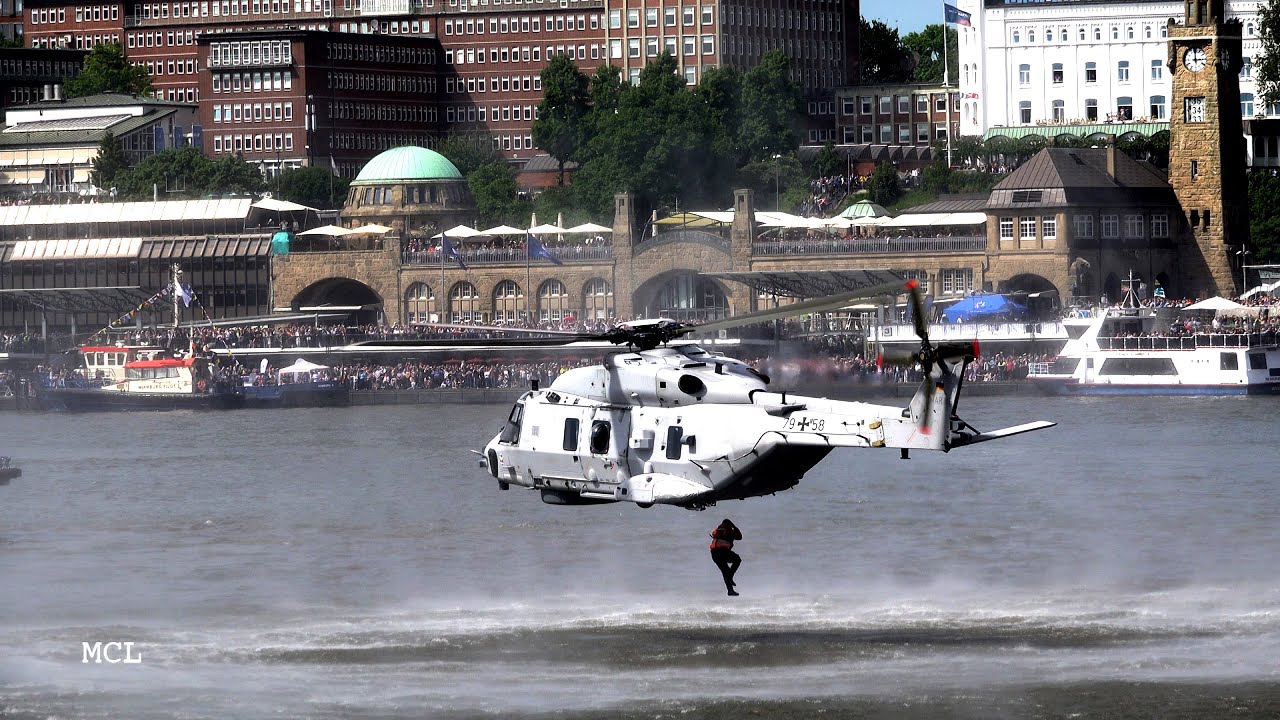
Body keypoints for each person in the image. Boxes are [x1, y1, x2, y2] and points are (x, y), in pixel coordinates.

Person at [709, 519, 742, 596]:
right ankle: (730, 579)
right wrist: (734, 527)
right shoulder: (729, 530)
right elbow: (740, 537)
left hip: (714, 554)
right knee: (737, 559)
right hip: (722, 552)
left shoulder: (716, 530)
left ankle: (730, 590)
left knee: (725, 571)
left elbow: (714, 534)